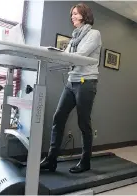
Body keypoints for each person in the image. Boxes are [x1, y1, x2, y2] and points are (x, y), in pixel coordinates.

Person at [40, 3, 102, 173]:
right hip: (71, 81)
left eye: (76, 13)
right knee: (58, 117)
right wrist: (54, 54)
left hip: (86, 82)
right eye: (72, 14)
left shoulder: (94, 34)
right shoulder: (74, 36)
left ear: (85, 15)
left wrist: (65, 56)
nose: (72, 16)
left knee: (83, 122)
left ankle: (85, 161)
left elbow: (79, 55)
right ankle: (52, 159)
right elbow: (66, 57)